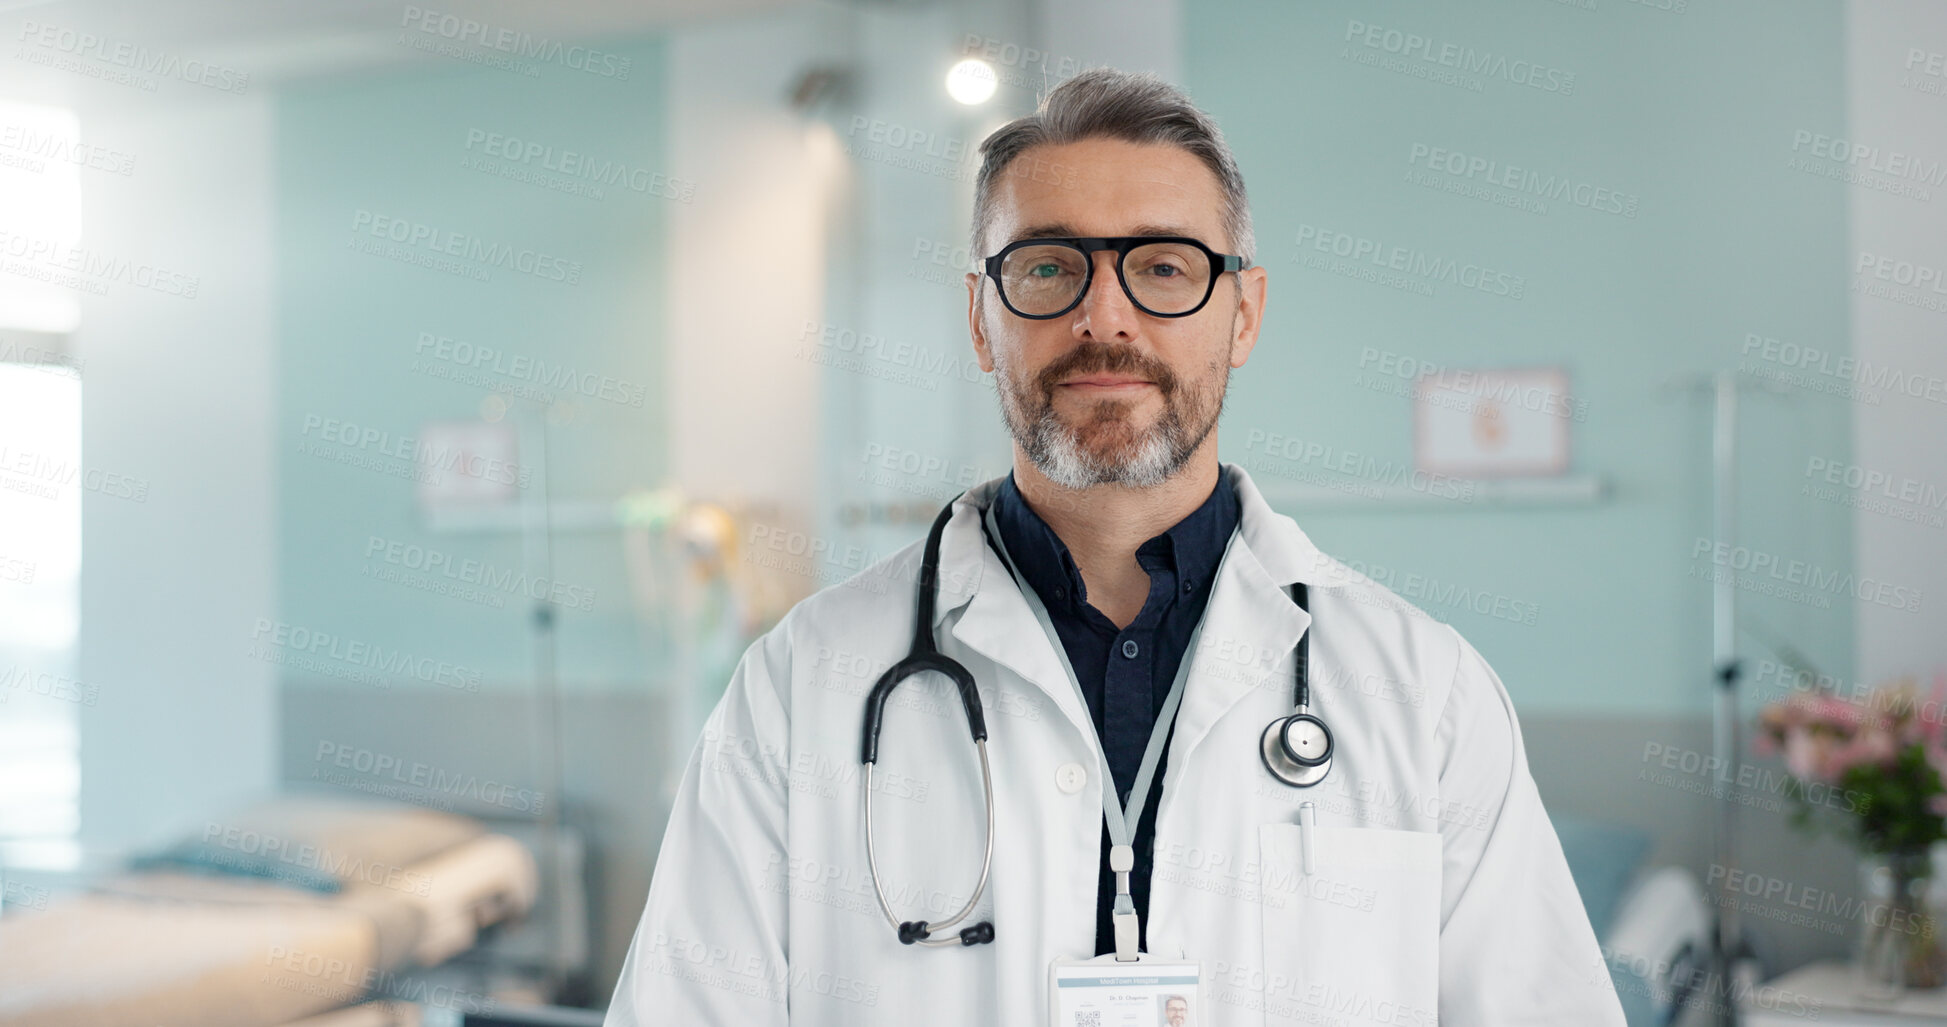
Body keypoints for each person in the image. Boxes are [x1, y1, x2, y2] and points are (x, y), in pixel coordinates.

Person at [606, 67, 1624, 1025]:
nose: (1105, 315)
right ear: (979, 317)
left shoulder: (1424, 691)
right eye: (1048, 265)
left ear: (1243, 313)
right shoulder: (802, 686)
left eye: (1164, 266)